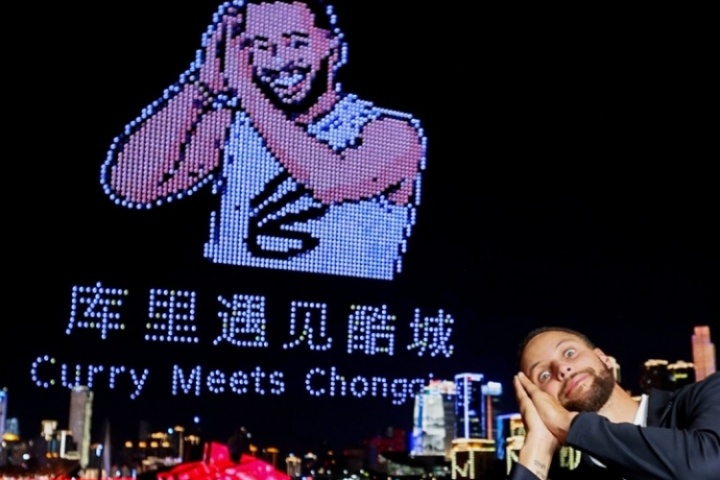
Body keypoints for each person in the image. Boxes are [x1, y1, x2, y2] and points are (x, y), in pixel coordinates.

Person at [100, 0, 426, 280]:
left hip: (339, 317)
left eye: (296, 43)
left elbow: (330, 182)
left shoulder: (390, 132)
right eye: (260, 46)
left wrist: (244, 87)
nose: (279, 61)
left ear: (332, 47)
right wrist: (203, 85)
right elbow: (130, 186)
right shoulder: (231, 127)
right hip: (232, 316)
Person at [510, 326, 720, 480]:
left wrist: (569, 424)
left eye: (570, 353)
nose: (562, 369)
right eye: (544, 375)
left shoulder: (707, 394)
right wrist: (538, 446)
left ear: (603, 358)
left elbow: (707, 466)